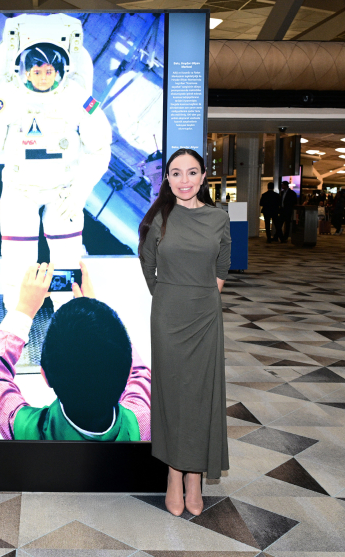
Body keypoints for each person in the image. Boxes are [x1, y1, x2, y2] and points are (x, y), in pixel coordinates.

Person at [0, 39, 111, 309]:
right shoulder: (8, 96)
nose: (43, 78)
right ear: (25, 72)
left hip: (63, 191)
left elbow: (100, 149)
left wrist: (80, 191)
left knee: (67, 258)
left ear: (59, 71)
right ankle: (18, 313)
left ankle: (68, 314)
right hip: (19, 190)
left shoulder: (76, 96)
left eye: (49, 71)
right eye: (37, 71)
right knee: (17, 260)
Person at [138, 148, 230, 518]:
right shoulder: (159, 217)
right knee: (172, 395)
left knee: (201, 396)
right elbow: (148, 264)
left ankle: (195, 477)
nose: (184, 180)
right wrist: (168, 296)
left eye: (192, 172)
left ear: (204, 176)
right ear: (167, 178)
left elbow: (222, 265)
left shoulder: (218, 218)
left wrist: (204, 297)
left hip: (205, 317)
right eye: (176, 173)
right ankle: (174, 475)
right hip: (168, 317)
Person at [0, 261, 150, 441]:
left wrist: (24, 309)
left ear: (44, 375)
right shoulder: (141, 421)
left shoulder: (27, 430)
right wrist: (97, 314)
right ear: (127, 372)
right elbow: (140, 373)